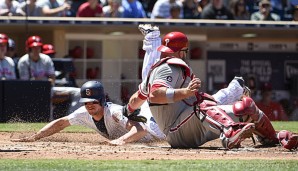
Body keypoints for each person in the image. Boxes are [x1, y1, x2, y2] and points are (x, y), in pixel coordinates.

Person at [126, 27, 298, 150]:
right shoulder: (169, 66)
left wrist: (128, 110)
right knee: (202, 106)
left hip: (188, 125)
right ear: (181, 51)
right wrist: (185, 92)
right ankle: (229, 132)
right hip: (176, 130)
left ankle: (274, 138)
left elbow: (136, 99)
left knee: (246, 107)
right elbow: (156, 95)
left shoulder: (156, 71)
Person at [11, 80, 165, 145]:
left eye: (93, 101)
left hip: (154, 131)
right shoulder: (83, 113)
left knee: (151, 88)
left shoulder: (114, 112)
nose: (89, 105)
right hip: (139, 135)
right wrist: (35, 136)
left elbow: (141, 129)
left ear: (102, 100)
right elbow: (61, 123)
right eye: (86, 102)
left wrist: (120, 141)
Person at [18, 35, 81, 115]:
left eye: (38, 47)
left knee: (78, 92)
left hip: (47, 88)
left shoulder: (46, 59)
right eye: (33, 48)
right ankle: (48, 119)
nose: (36, 50)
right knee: (46, 95)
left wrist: (40, 80)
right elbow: (25, 84)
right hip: (30, 91)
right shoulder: (23, 61)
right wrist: (41, 80)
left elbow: (52, 78)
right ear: (28, 49)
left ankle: (71, 118)